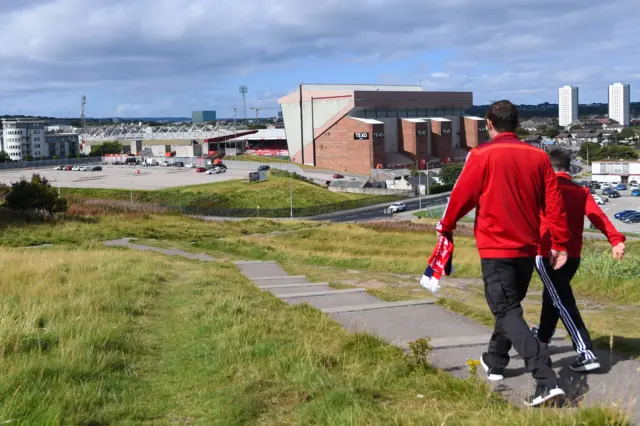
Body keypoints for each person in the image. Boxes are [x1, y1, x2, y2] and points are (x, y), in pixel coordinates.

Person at [437, 100, 571, 407]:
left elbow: (462, 195)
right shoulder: (538, 157)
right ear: (517, 124)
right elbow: (554, 204)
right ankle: (495, 360)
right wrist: (558, 244)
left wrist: (446, 225)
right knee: (508, 307)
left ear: (489, 123)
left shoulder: (482, 155)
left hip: (496, 247)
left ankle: (545, 380)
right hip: (526, 248)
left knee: (507, 310)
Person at [533, 149, 626, 372]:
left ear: (548, 167)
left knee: (562, 301)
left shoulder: (544, 189)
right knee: (553, 298)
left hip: (549, 253)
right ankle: (542, 340)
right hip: (573, 256)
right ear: (569, 168)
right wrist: (615, 240)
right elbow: (598, 217)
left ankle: (585, 352)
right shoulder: (581, 191)